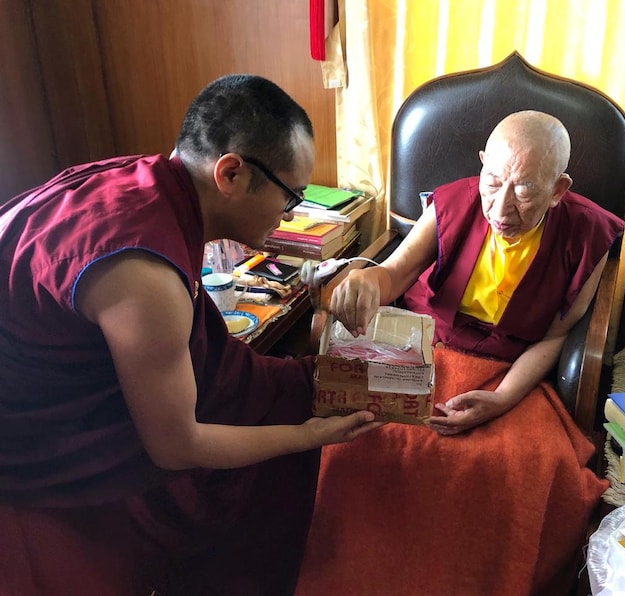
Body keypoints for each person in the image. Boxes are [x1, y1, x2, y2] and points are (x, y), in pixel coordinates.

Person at [0, 74, 381, 595]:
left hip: (56, 380)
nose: (290, 213)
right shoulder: (144, 274)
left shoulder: (144, 179)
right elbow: (176, 446)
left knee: (287, 388)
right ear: (231, 173)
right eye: (290, 195)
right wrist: (308, 436)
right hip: (33, 460)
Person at [295, 111, 624, 595]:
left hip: (511, 370)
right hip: (423, 347)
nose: (502, 208)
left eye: (526, 189)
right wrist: (367, 280)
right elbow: (395, 273)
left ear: (558, 189)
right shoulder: (452, 203)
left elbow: (555, 336)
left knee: (524, 465)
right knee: (352, 436)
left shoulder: (588, 234)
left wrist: (504, 398)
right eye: (493, 181)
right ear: (481, 165)